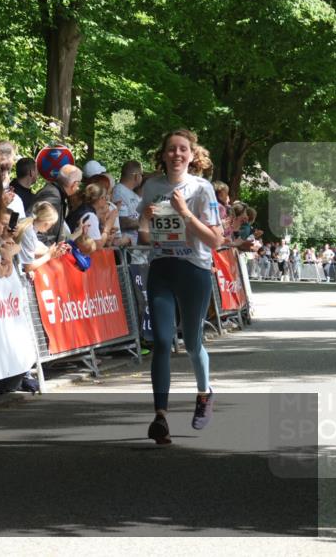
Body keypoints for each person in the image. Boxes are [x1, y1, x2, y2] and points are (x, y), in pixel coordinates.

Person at [137, 129, 224, 445]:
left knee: (191, 341)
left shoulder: (202, 189)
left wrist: (186, 213)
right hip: (161, 268)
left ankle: (204, 393)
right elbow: (145, 236)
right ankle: (160, 416)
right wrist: (145, 220)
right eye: (171, 149)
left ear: (192, 155)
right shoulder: (152, 187)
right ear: (162, 154)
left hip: (193, 270)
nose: (176, 154)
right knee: (161, 341)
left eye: (183, 149)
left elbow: (216, 240)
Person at [31, 163, 82, 245]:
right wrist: (48, 249)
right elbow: (38, 225)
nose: (78, 188)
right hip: (42, 252)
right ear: (74, 184)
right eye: (78, 184)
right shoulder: (53, 196)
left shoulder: (55, 193)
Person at [13, 202, 66, 274]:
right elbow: (28, 267)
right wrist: (48, 256)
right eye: (52, 225)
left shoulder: (26, 222)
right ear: (46, 224)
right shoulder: (30, 233)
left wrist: (53, 251)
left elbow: (32, 250)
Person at [113, 161, 143, 244]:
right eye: (141, 174)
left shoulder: (131, 193)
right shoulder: (119, 192)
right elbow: (122, 221)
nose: (142, 177)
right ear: (136, 176)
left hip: (135, 248)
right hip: (125, 248)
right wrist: (146, 223)